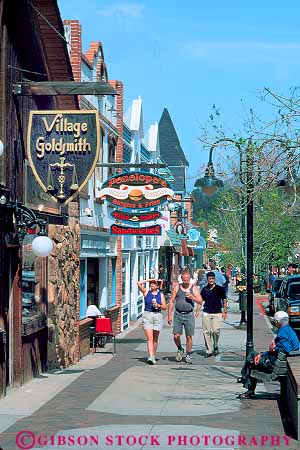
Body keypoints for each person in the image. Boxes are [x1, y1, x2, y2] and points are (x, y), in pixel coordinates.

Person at [238, 310, 300, 399]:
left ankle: (249, 388)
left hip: (273, 364)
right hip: (280, 362)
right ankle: (245, 378)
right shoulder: (290, 330)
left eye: (275, 322)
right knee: (254, 355)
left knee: (251, 359)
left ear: (278, 322)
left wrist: (273, 349)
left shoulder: (282, 333)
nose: (274, 324)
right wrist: (264, 353)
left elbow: (287, 349)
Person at [168, 271, 202, 364]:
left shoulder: (193, 288)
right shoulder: (177, 287)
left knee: (189, 336)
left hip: (189, 315)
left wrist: (192, 297)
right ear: (182, 279)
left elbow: (200, 301)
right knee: (176, 336)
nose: (186, 282)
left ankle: (188, 354)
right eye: (184, 280)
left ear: (190, 279)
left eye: (187, 280)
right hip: (178, 314)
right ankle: (179, 348)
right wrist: (169, 315)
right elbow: (171, 301)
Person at [137, 278, 167, 365]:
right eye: (151, 284)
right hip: (147, 315)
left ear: (157, 286)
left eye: (154, 284)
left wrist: (158, 305)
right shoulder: (146, 292)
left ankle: (153, 355)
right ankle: (150, 356)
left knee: (155, 338)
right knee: (149, 338)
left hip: (157, 315)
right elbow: (139, 283)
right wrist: (150, 279)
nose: (152, 285)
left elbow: (165, 306)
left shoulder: (160, 295)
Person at [200, 271, 227, 357]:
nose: (211, 280)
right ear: (207, 280)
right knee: (206, 332)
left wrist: (225, 311)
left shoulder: (220, 289)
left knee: (216, 331)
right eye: (210, 279)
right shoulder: (204, 289)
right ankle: (209, 350)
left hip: (217, 312)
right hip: (206, 312)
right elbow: (201, 300)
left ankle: (215, 345)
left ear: (214, 279)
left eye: (212, 279)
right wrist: (197, 310)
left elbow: (224, 299)